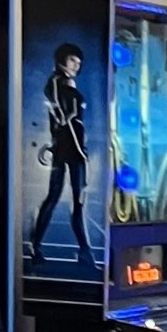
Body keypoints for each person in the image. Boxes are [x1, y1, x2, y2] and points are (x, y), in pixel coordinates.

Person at [32, 42, 95, 267]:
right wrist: (70, 114)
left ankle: (84, 251)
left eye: (78, 62)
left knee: (75, 200)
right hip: (67, 148)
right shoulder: (57, 82)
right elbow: (59, 114)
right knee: (57, 197)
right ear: (62, 60)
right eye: (72, 61)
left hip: (74, 148)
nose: (76, 66)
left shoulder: (64, 82)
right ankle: (37, 246)